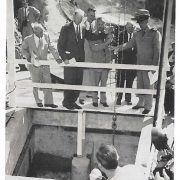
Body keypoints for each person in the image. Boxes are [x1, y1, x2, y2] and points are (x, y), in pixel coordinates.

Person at [111, 9, 161, 114]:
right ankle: (140, 102)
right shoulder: (137, 34)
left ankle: (148, 106)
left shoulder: (154, 33)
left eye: (142, 22)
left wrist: (154, 67)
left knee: (148, 86)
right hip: (139, 64)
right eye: (139, 22)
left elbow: (157, 52)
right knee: (140, 85)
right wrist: (116, 48)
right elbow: (128, 44)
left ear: (147, 21)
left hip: (149, 66)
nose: (140, 24)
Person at [22, 23, 61, 108]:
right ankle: (38, 101)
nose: (42, 33)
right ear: (34, 31)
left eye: (42, 31)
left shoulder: (46, 36)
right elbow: (23, 50)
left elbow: (51, 47)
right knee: (35, 84)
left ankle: (49, 102)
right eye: (40, 32)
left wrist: (57, 57)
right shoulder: (27, 39)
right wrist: (28, 56)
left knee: (48, 83)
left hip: (45, 64)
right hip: (34, 66)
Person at [57, 9, 85, 110]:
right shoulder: (66, 28)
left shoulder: (83, 28)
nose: (79, 19)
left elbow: (90, 37)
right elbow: (60, 46)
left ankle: (73, 101)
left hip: (80, 61)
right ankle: (66, 102)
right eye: (78, 17)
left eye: (81, 18)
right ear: (73, 17)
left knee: (78, 83)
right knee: (69, 82)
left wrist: (105, 34)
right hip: (69, 61)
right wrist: (64, 58)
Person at [88, 18, 113, 107]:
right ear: (96, 25)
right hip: (96, 63)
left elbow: (110, 49)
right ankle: (95, 100)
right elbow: (94, 48)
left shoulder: (107, 35)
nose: (100, 26)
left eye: (102, 24)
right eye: (99, 24)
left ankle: (103, 100)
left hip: (105, 64)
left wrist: (109, 61)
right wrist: (106, 43)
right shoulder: (93, 35)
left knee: (104, 84)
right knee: (95, 83)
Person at [116, 22, 137, 105]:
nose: (130, 29)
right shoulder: (121, 35)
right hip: (122, 61)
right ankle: (118, 98)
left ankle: (128, 99)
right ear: (126, 27)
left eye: (132, 27)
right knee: (120, 80)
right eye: (129, 27)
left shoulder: (137, 36)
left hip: (133, 62)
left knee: (130, 80)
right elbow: (118, 47)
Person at [79, 7, 96, 105]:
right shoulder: (83, 25)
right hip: (85, 54)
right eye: (91, 15)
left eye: (94, 16)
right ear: (86, 15)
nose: (93, 17)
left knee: (91, 75)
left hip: (93, 54)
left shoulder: (93, 24)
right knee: (85, 76)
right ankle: (81, 96)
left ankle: (89, 92)